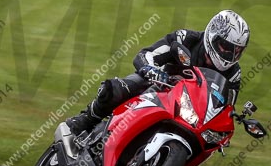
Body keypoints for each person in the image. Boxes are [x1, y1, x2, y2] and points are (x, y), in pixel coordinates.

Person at [66, 10, 250, 134]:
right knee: (116, 89)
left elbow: (225, 107)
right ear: (212, 35)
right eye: (226, 47)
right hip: (157, 87)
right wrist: (151, 70)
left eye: (237, 51)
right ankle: (86, 119)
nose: (230, 54)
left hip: (187, 112)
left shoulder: (233, 74)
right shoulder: (186, 39)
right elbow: (146, 54)